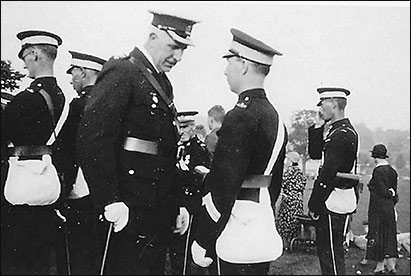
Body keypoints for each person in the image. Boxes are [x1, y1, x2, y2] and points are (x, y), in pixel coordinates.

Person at [76, 10, 199, 275]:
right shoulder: (122, 71)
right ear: (153, 36)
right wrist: (110, 200)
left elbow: (165, 154)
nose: (177, 57)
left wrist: (177, 202)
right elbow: (93, 139)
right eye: (174, 47)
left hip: (156, 208)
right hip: (127, 208)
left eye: (182, 50)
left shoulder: (163, 84)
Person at [190, 28, 287, 275]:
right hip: (261, 220)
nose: (225, 70)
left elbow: (223, 186)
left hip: (233, 227)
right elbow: (274, 182)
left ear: (243, 65)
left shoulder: (240, 116)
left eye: (229, 61)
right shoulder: (275, 117)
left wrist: (203, 238)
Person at [1, 30, 65, 275]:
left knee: (17, 262)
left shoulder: (26, 100)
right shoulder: (62, 98)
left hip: (18, 190)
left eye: (26, 56)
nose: (24, 62)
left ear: (36, 54)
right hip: (46, 188)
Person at [53, 50, 106, 274]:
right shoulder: (110, 103)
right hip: (105, 193)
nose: (72, 79)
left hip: (79, 191)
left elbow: (63, 150)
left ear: (83, 73)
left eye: (74, 73)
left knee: (76, 255)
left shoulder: (78, 105)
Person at [307, 87, 359, 275]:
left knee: (330, 256)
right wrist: (318, 127)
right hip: (333, 199)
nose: (320, 109)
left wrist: (314, 204)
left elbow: (327, 175)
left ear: (334, 104)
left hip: (333, 201)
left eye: (323, 104)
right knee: (328, 255)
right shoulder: (337, 131)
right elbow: (314, 154)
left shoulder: (341, 134)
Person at [169, 111, 211, 275]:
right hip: (172, 201)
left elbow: (200, 178)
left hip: (190, 204)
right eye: (179, 126)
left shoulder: (199, 149)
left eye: (186, 127)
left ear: (193, 127)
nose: (182, 131)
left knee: (184, 250)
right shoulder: (171, 146)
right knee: (173, 250)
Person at [365, 144, 398, 275]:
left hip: (378, 208)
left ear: (375, 157)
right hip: (389, 207)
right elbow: (394, 192)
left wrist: (388, 194)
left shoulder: (378, 171)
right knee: (389, 234)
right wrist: (392, 198)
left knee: (378, 235)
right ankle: (391, 265)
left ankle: (379, 267)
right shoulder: (392, 171)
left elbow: (381, 190)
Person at [276, 151, 307, 251]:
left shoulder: (287, 173)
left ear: (291, 161)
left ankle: (285, 243)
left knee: (284, 221)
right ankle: (293, 241)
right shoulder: (301, 173)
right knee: (295, 221)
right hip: (298, 200)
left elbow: (281, 184)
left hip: (288, 199)